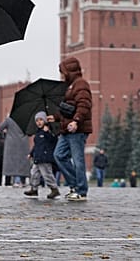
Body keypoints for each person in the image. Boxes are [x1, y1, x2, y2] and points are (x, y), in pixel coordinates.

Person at [49, 57, 92, 202]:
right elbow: (67, 108)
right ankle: (74, 185)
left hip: (76, 130)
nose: (62, 75)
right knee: (59, 155)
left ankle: (81, 190)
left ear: (70, 71)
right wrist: (55, 117)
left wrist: (76, 121)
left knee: (78, 160)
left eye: (63, 72)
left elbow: (84, 104)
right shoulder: (70, 86)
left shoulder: (80, 84)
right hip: (67, 129)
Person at [23, 111, 60, 200]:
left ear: (45, 120)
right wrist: (31, 153)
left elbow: (54, 141)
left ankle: (54, 189)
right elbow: (36, 145)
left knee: (47, 174)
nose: (39, 122)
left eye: (41, 120)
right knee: (34, 174)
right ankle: (34, 189)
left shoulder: (50, 131)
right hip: (37, 158)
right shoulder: (38, 133)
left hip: (45, 158)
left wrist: (48, 133)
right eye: (37, 120)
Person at [0, 116, 30, 188]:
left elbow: (0, 128)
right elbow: (30, 130)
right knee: (23, 162)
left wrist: (4, 136)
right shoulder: (26, 119)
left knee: (10, 163)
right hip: (23, 143)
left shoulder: (9, 120)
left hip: (11, 143)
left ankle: (8, 181)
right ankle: (23, 181)